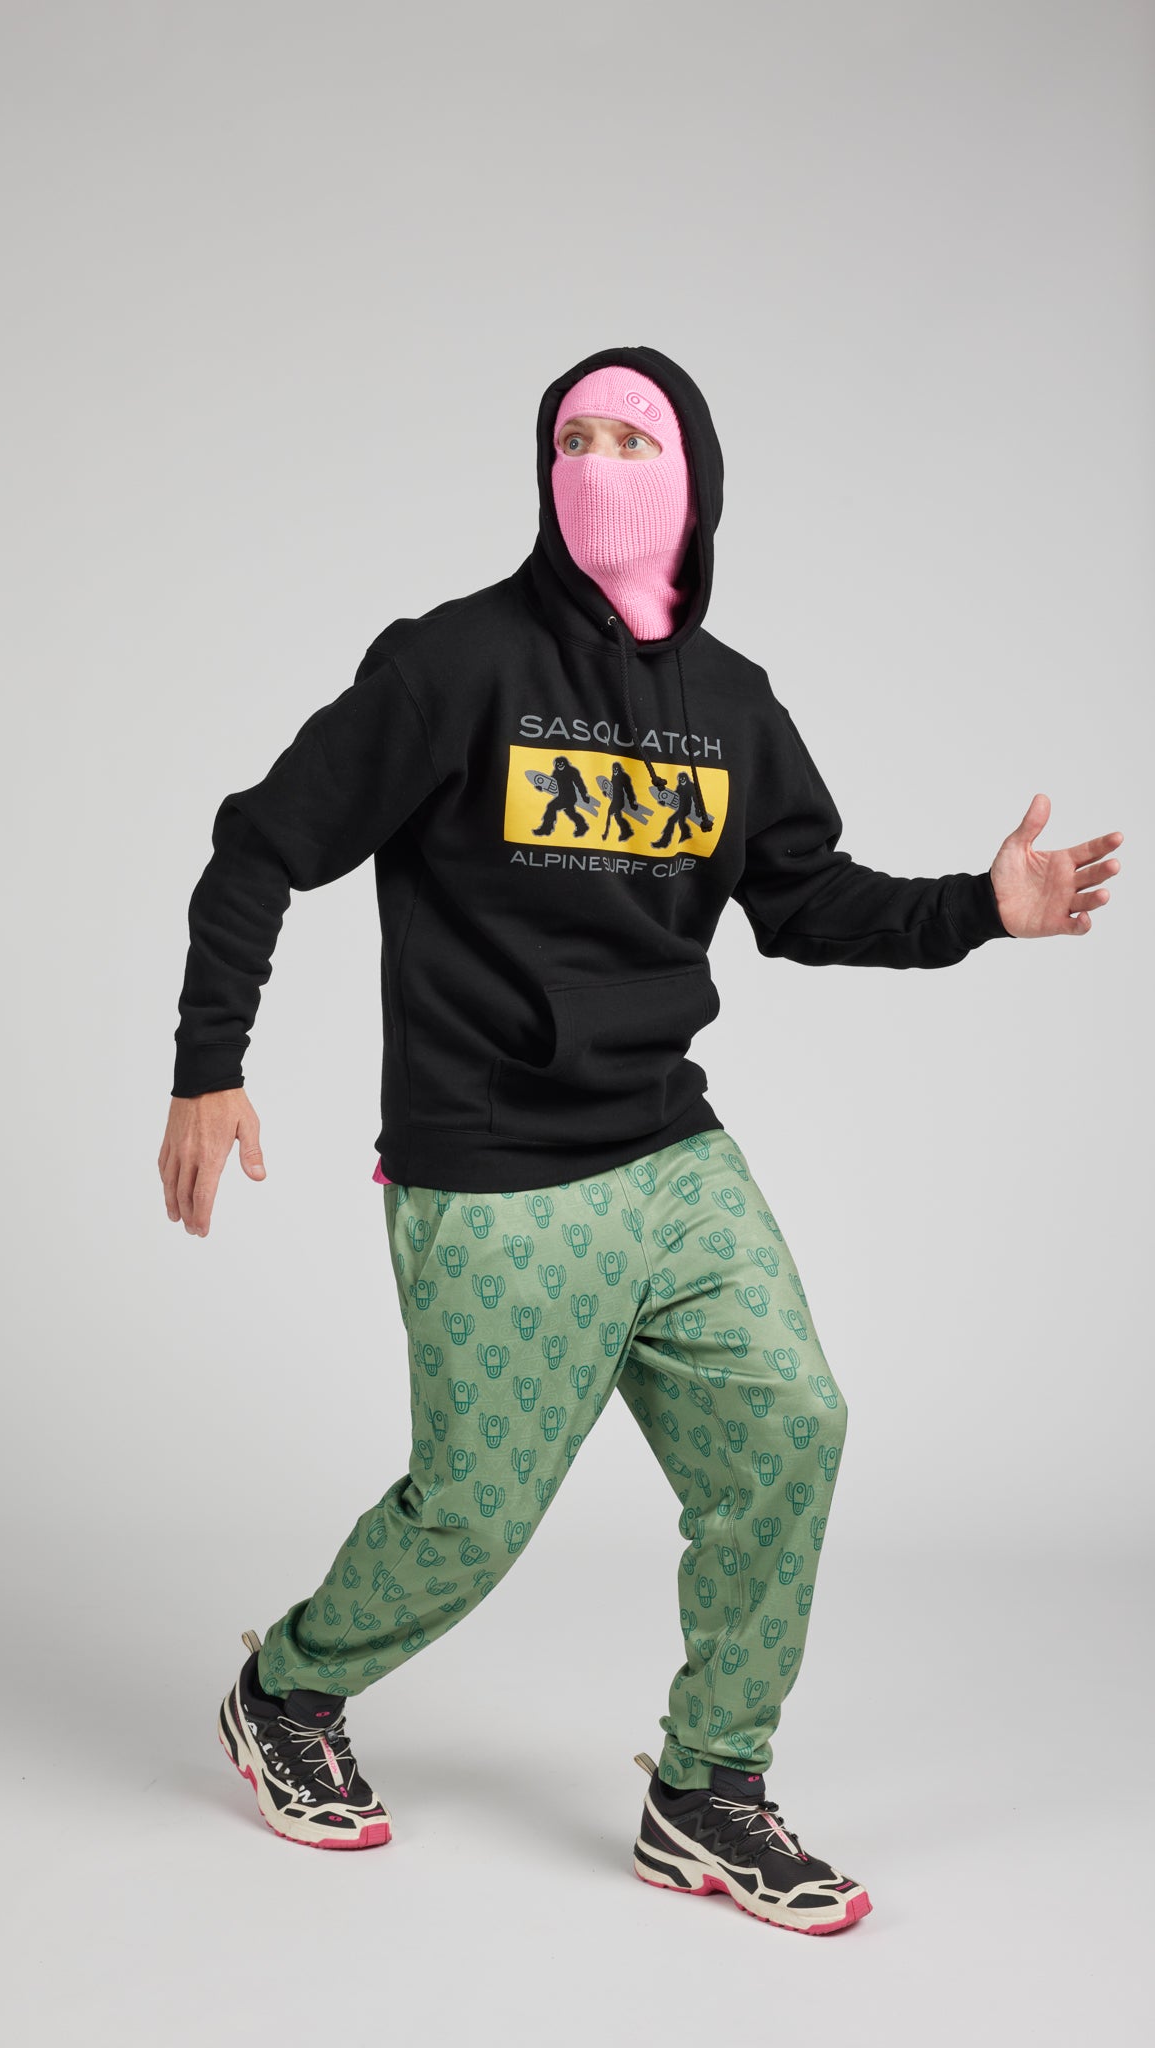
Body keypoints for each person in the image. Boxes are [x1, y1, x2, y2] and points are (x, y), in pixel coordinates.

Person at [159, 345, 1122, 1935]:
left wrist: (980, 908)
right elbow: (261, 842)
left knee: (789, 1428)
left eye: (631, 437)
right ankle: (285, 1692)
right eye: (572, 437)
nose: (596, 463)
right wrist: (211, 1064)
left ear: (693, 480)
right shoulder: (455, 663)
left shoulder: (729, 701)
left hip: (670, 1154)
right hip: (490, 1168)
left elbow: (805, 901)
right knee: (472, 1517)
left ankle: (706, 1792)